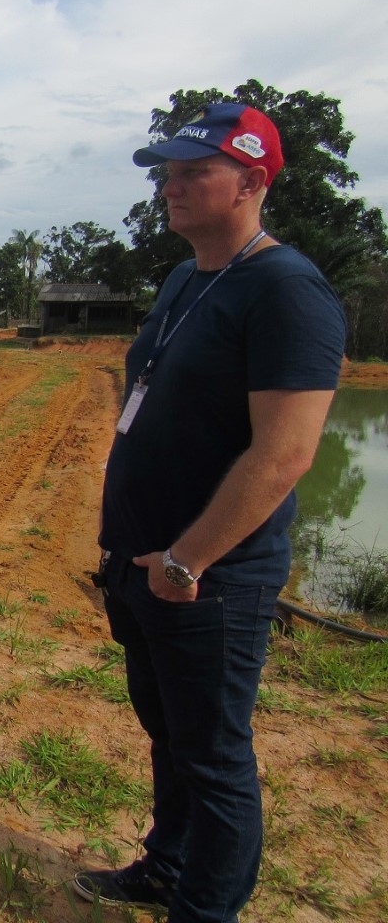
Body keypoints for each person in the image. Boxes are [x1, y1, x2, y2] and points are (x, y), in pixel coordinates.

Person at [75, 104, 345, 922]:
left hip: (208, 580)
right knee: (169, 735)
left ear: (254, 181)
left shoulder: (287, 290)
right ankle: (167, 867)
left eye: (196, 172)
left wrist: (189, 559)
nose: (172, 186)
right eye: (169, 171)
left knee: (216, 759)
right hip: (144, 564)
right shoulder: (188, 278)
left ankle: (206, 909)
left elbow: (284, 454)